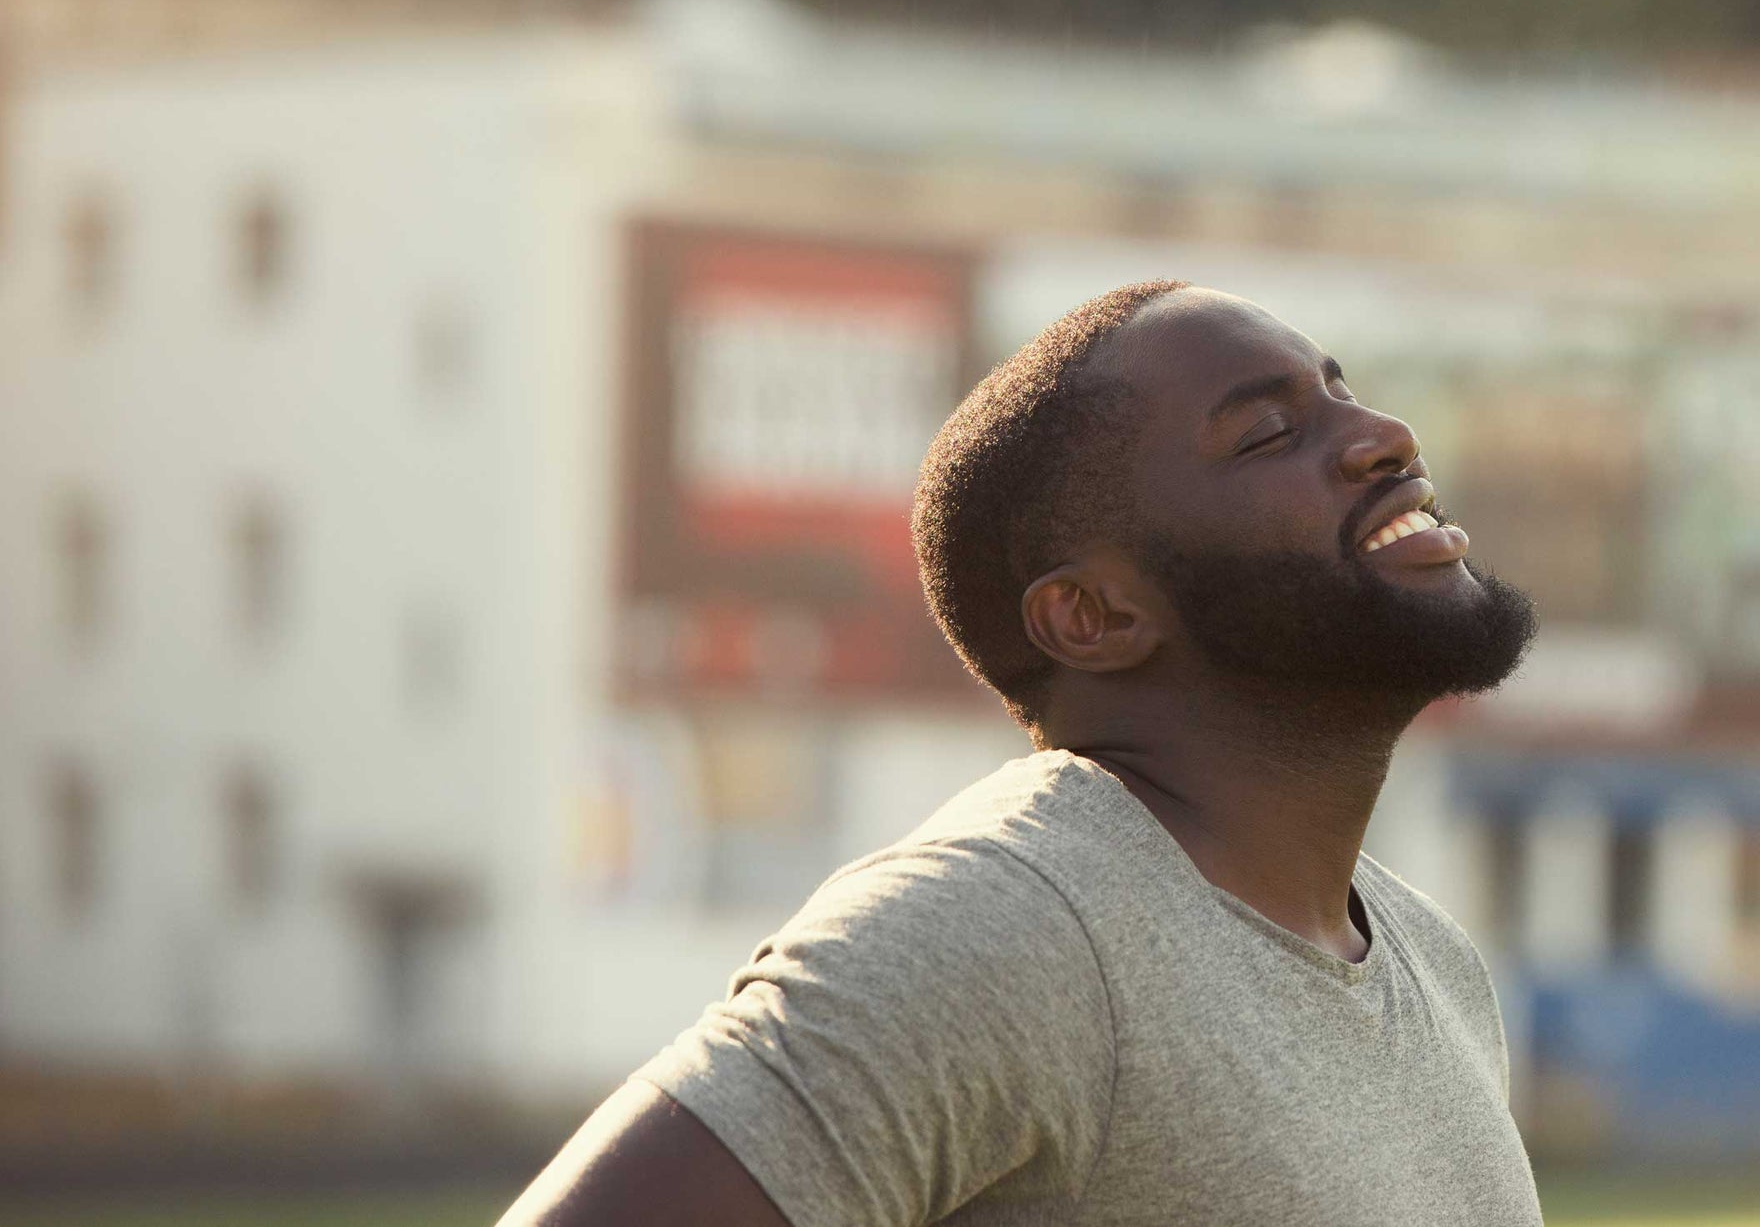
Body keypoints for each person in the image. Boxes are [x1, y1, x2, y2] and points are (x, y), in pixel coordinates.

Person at [500, 282, 1544, 1226]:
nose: (1388, 437)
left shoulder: (1431, 960)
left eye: (1341, 390)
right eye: (1268, 433)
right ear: (1094, 615)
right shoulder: (1008, 928)